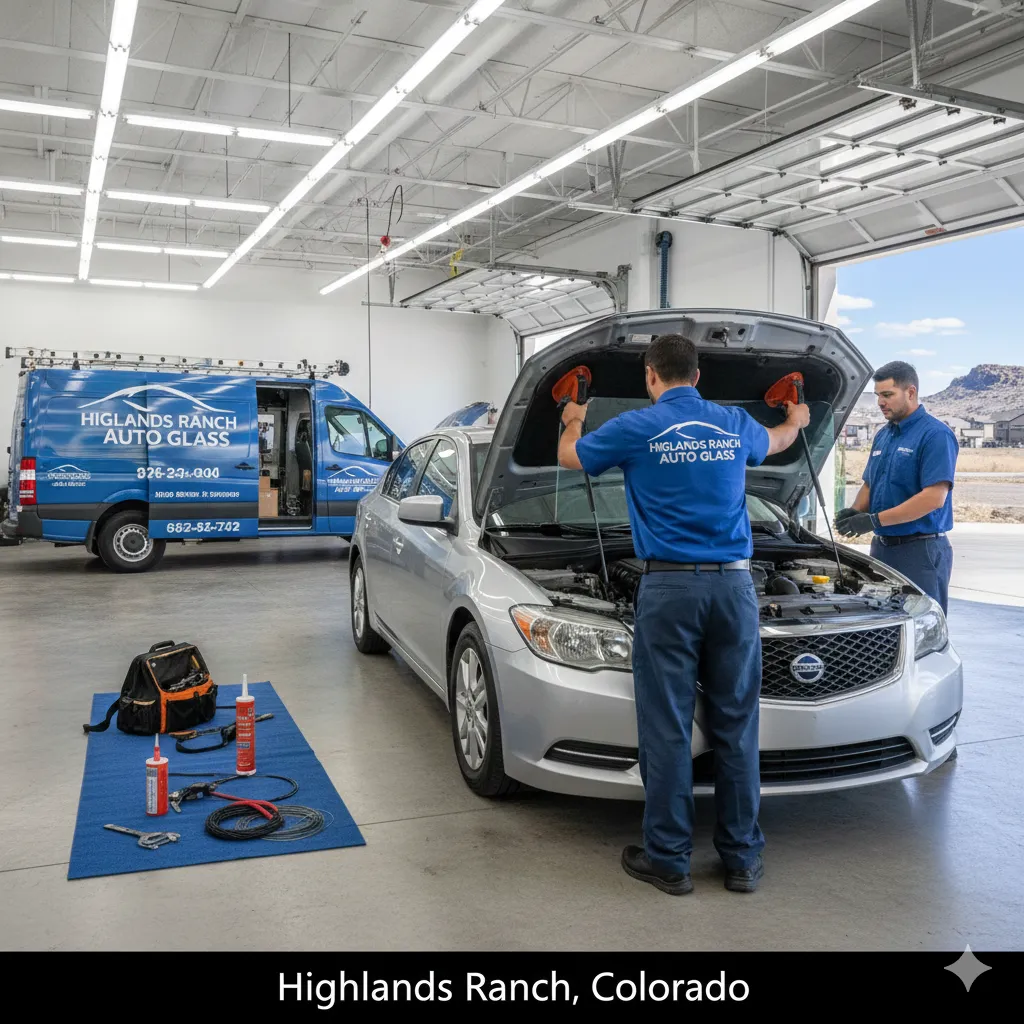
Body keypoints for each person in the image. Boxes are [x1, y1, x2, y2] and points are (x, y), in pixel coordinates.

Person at [557, 334, 808, 895]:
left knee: (667, 727)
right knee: (737, 725)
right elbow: (781, 439)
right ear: (697, 377)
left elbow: (570, 458)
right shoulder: (732, 423)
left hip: (668, 589)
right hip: (735, 587)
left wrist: (573, 418)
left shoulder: (637, 428)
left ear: (652, 377)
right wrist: (800, 414)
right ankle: (742, 858)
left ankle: (669, 860)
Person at [835, 360, 958, 615]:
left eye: (888, 395)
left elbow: (933, 498)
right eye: (878, 395)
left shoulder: (935, 435)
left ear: (910, 392)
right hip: (882, 549)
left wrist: (873, 521)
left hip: (920, 551)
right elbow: (871, 483)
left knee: (921, 626)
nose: (880, 402)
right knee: (881, 623)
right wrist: (854, 512)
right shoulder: (883, 434)